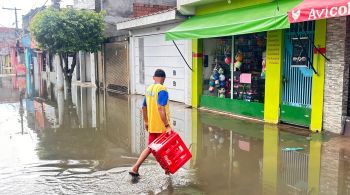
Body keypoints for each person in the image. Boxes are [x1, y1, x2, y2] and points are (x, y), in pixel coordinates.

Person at [129, 69, 172, 177]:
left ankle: (135, 168)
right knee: (165, 149)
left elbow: (144, 107)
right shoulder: (162, 89)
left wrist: (146, 122)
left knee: (151, 148)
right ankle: (167, 170)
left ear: (153, 77)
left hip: (152, 125)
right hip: (161, 126)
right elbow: (160, 107)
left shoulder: (149, 89)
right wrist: (167, 126)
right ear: (163, 79)